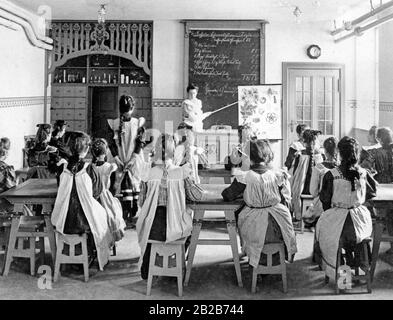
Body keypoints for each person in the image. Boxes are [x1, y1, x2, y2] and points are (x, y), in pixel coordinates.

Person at [136, 134, 204, 280]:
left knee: (150, 229)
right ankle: (174, 263)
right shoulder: (181, 172)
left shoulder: (148, 172)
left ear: (156, 151)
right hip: (175, 229)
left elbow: (141, 202)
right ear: (174, 152)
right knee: (190, 231)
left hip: (152, 229)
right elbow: (196, 196)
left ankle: (148, 267)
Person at [221, 139, 297, 268]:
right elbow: (281, 197)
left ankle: (254, 258)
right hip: (278, 220)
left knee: (243, 220)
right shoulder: (276, 175)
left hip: (255, 222)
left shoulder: (245, 177)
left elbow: (227, 195)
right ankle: (276, 260)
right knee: (284, 229)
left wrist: (245, 193)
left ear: (248, 158)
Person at [315, 136, 377, 281]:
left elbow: (325, 201)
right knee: (355, 235)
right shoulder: (363, 173)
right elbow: (371, 194)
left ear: (339, 153)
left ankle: (344, 277)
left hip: (338, 223)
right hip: (360, 224)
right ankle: (356, 262)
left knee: (323, 232)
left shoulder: (331, 175)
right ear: (357, 153)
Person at [51, 132, 112, 271]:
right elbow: (97, 192)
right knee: (101, 217)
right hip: (83, 221)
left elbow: (60, 187)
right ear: (86, 150)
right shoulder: (89, 168)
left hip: (64, 220)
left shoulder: (62, 167)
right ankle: (89, 253)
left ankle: (71, 253)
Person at [107, 95, 146, 223]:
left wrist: (122, 159)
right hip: (127, 157)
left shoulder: (134, 123)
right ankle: (126, 213)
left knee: (130, 182)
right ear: (133, 108)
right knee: (126, 183)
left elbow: (140, 141)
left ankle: (129, 212)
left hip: (127, 157)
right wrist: (122, 159)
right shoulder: (115, 124)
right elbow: (112, 143)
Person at [363, 127, 393, 252]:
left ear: (379, 139)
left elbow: (363, 168)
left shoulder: (374, 152)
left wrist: (373, 175)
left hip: (382, 188)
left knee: (384, 214)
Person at [91, 138, 126, 243]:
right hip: (105, 196)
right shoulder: (109, 167)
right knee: (115, 213)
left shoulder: (91, 166)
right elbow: (115, 184)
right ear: (106, 152)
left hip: (94, 197)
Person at [303, 137, 339, 230]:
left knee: (312, 214)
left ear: (325, 151)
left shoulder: (319, 168)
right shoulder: (341, 168)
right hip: (338, 204)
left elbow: (313, 192)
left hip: (323, 205)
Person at [290, 129, 324, 221]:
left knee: (293, 186)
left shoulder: (300, 155)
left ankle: (297, 216)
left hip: (303, 189)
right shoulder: (321, 156)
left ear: (304, 142)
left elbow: (295, 175)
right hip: (317, 190)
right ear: (315, 142)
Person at [0, 138, 16, 215]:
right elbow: (12, 191)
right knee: (23, 209)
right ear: (5, 153)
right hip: (2, 204)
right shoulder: (6, 169)